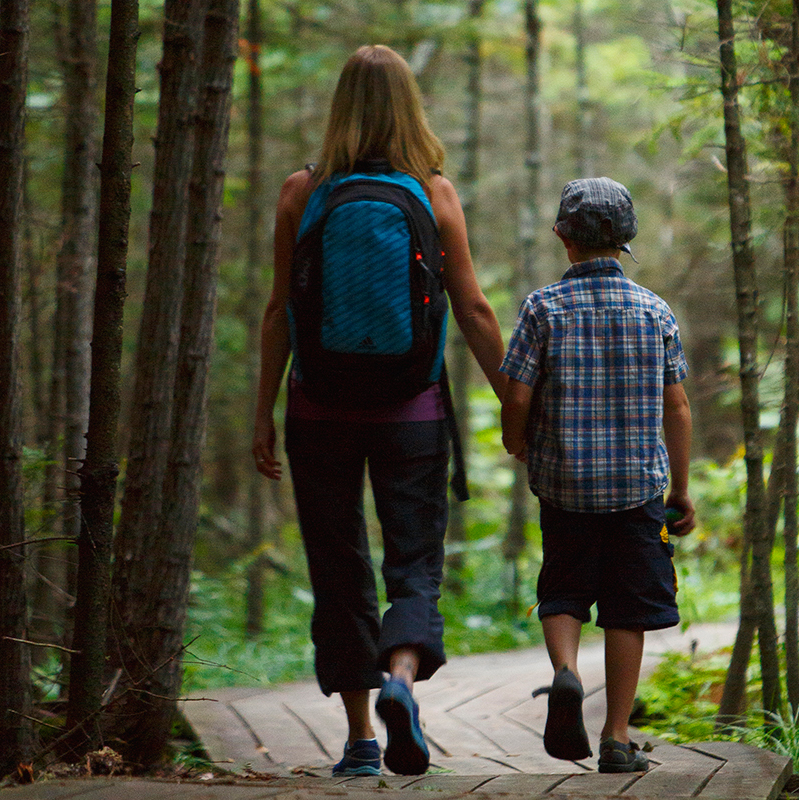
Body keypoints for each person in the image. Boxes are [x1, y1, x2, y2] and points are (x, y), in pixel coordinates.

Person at [252, 44, 506, 777]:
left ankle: (362, 740)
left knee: (338, 567)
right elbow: (475, 309)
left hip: (318, 408)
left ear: (339, 106)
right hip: (413, 409)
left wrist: (263, 412)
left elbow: (278, 312)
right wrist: (514, 403)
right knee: (415, 561)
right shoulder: (434, 192)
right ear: (410, 107)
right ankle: (401, 678)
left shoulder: (302, 190)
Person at [499, 177, 695, 773]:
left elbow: (516, 394)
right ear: (626, 241)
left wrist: (518, 442)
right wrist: (680, 491)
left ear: (563, 236)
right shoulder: (652, 309)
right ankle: (615, 737)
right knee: (627, 609)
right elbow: (677, 406)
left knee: (563, 590)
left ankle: (565, 673)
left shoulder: (542, 307)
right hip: (636, 490)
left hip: (566, 486)